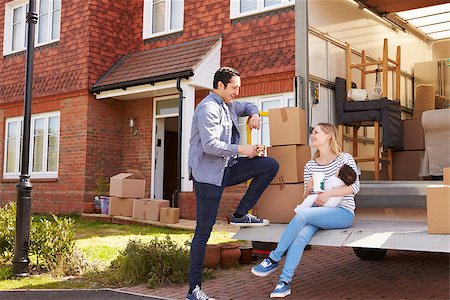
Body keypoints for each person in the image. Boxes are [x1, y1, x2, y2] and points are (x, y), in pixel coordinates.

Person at [187, 67, 279, 300]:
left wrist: (255, 114)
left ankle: (240, 214)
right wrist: (242, 149)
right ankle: (194, 290)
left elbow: (247, 106)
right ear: (219, 86)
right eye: (234, 87)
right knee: (203, 231)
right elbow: (210, 146)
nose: (237, 92)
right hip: (208, 177)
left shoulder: (227, 104)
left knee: (269, 165)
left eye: (238, 87)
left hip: (227, 168)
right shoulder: (208, 108)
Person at [251, 122, 360, 298]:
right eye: (311, 133)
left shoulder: (344, 158)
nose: (312, 135)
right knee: (301, 237)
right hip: (316, 211)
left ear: (329, 136)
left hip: (341, 212)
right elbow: (305, 198)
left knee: (303, 214)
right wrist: (309, 188)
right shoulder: (310, 166)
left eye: (316, 132)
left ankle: (273, 258)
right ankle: (284, 283)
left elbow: (354, 188)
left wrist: (329, 194)